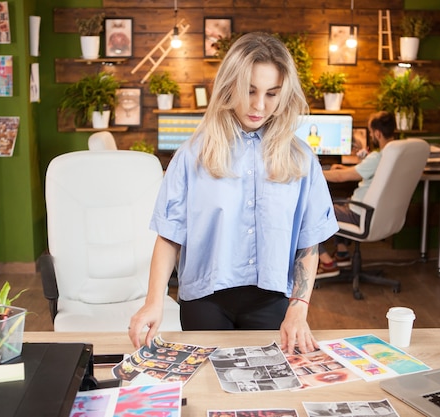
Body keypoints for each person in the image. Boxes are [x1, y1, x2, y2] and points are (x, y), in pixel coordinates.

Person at [129, 32, 338, 354]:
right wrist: (153, 302)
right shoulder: (192, 154)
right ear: (229, 87)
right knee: (208, 389)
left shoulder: (300, 159)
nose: (259, 105)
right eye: (249, 91)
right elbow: (170, 234)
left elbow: (309, 241)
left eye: (272, 94)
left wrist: (299, 308)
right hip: (204, 302)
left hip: (272, 302)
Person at [318, 111, 396, 272]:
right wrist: (348, 168)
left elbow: (340, 177)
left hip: (359, 215)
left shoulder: (377, 157)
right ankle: (342, 253)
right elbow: (362, 171)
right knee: (339, 201)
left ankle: (326, 263)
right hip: (375, 214)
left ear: (377, 133)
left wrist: (312, 173)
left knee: (310, 210)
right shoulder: (394, 155)